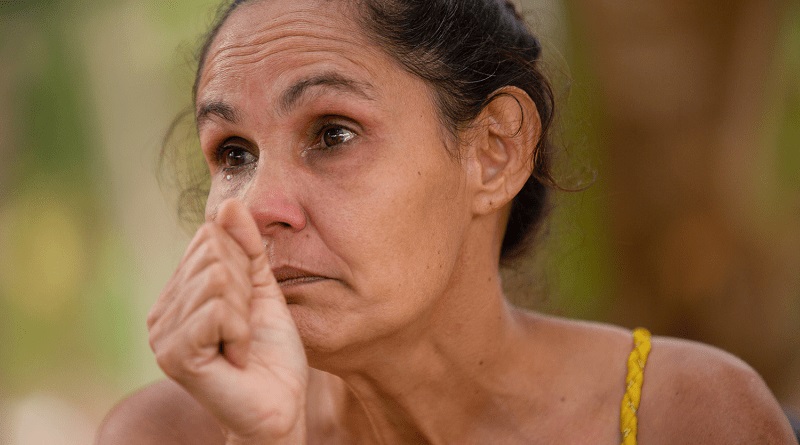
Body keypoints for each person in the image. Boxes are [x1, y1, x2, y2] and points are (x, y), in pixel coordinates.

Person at [97, 0, 798, 443]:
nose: (254, 207)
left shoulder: (686, 416)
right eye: (234, 153)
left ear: (494, 152)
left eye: (333, 133)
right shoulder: (168, 434)